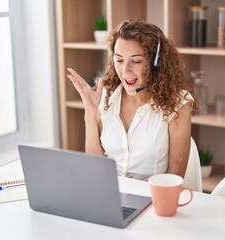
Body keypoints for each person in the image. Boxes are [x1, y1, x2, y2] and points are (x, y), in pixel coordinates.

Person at [66, 19, 197, 181]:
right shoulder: (106, 95)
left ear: (157, 64)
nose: (125, 70)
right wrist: (90, 114)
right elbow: (96, 167)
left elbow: (175, 176)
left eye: (136, 61)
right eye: (119, 60)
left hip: (152, 198)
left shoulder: (177, 102)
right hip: (110, 193)